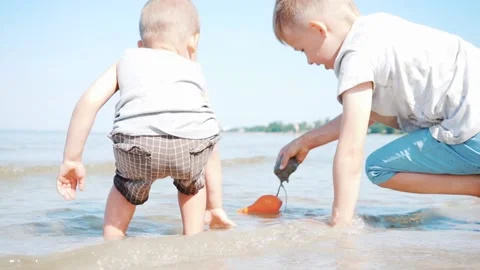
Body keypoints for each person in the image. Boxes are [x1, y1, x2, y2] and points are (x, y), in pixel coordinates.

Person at [272, 0, 480, 227]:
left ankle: (475, 187)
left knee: (379, 168)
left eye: (303, 50)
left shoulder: (354, 56)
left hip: (472, 127)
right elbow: (368, 114)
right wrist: (306, 141)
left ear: (318, 30)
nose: (309, 61)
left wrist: (339, 223)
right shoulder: (379, 29)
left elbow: (351, 149)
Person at [56, 0, 235, 239]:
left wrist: (72, 158)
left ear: (141, 45)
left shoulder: (128, 60)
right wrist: (215, 206)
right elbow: (208, 129)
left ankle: (113, 241)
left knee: (125, 188)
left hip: (138, 144)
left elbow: (88, 102)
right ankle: (194, 239)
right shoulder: (194, 69)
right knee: (192, 185)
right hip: (191, 146)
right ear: (194, 40)